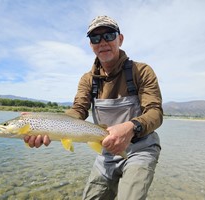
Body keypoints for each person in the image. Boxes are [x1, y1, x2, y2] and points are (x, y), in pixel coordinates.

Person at [24, 15, 163, 200]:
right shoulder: (87, 80)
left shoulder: (142, 71)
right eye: (95, 38)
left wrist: (130, 127)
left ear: (120, 39)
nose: (102, 42)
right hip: (107, 150)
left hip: (141, 148)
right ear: (91, 45)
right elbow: (78, 110)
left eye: (109, 35)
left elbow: (155, 113)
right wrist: (48, 123)